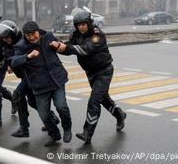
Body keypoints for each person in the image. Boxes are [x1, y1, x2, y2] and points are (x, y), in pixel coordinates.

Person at [50, 10, 127, 144]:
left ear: (89, 23)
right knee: (103, 99)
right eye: (78, 25)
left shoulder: (97, 35)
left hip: (104, 71)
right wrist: (57, 45)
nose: (81, 27)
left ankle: (87, 133)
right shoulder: (76, 35)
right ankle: (120, 115)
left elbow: (85, 49)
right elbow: (69, 47)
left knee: (94, 101)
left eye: (83, 24)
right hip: (91, 72)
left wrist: (66, 48)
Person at [0, 20, 60, 137]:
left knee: (17, 95)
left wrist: (16, 63)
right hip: (25, 76)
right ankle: (52, 118)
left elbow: (32, 55)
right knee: (32, 102)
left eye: (7, 37)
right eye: (3, 38)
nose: (6, 40)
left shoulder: (24, 41)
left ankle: (24, 128)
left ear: (13, 33)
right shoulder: (4, 44)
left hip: (33, 75)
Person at [11, 21, 72, 146]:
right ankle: (54, 135)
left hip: (56, 80)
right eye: (28, 35)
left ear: (38, 31)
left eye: (34, 34)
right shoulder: (21, 46)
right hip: (39, 85)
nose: (32, 37)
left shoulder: (48, 37)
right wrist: (28, 56)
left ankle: (67, 128)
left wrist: (59, 45)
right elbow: (14, 62)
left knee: (61, 106)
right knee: (44, 114)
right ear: (25, 36)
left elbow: (62, 47)